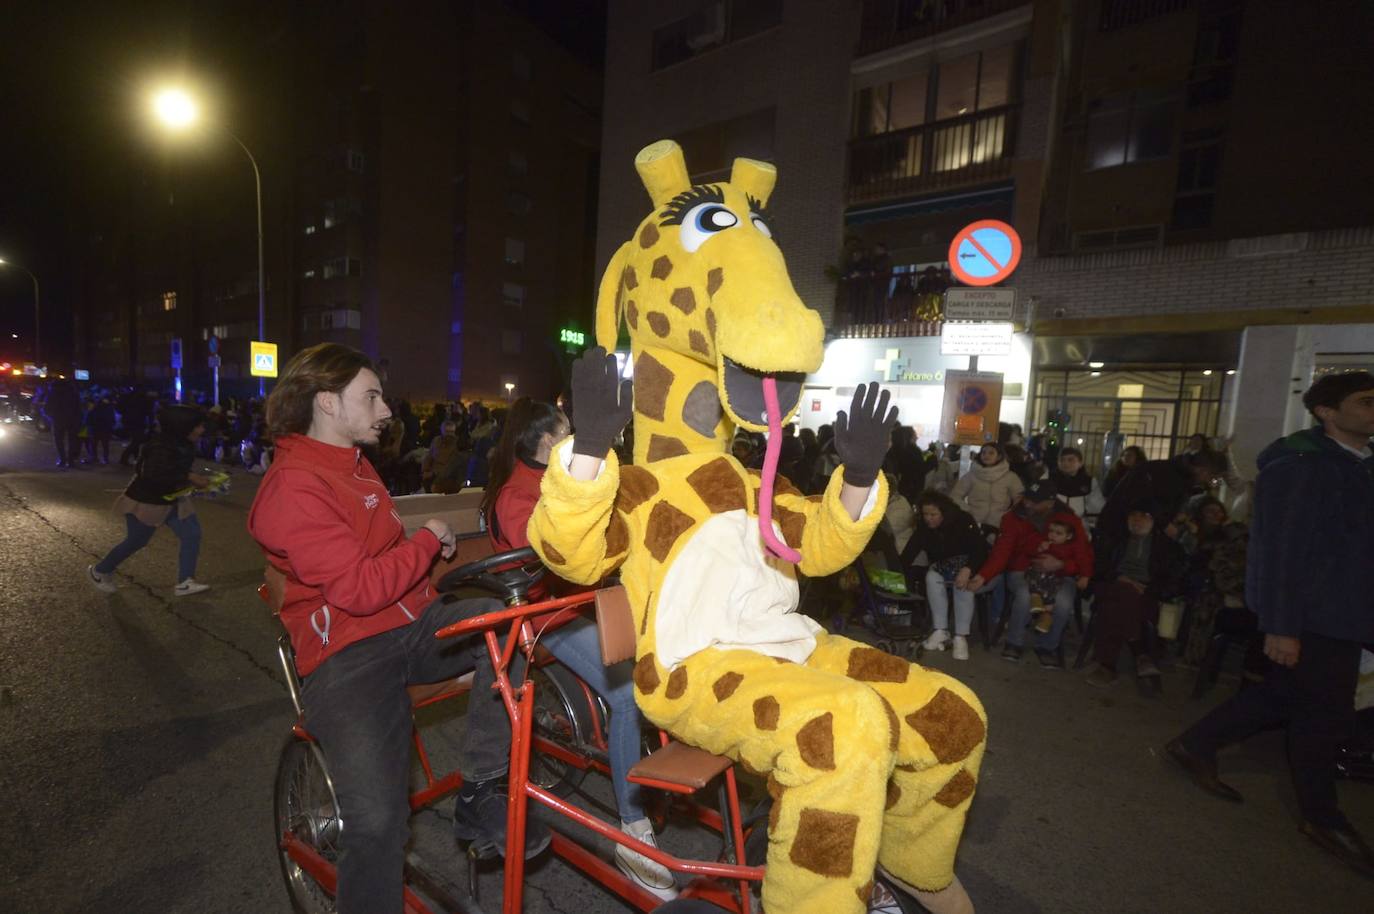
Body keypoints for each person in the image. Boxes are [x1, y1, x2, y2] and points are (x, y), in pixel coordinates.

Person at [246, 343, 524, 914]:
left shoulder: (352, 463)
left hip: (411, 624)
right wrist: (427, 541)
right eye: (369, 397)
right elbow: (358, 590)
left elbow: (382, 554)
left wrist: (428, 549)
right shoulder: (293, 485)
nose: (385, 409)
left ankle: (481, 790)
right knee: (376, 823)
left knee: (509, 630)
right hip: (349, 655)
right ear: (327, 402)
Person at [456, 398, 676, 901]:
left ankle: (644, 766)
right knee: (624, 698)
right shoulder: (517, 494)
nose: (573, 441)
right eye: (564, 434)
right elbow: (550, 563)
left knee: (655, 656)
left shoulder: (550, 480)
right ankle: (632, 826)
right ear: (541, 442)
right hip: (540, 618)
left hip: (571, 605)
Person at [1166, 371, 1374, 877]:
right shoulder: (1301, 465)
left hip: (1347, 608)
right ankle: (1322, 816)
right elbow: (1278, 551)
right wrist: (1280, 624)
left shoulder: (1360, 464)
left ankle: (1195, 744)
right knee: (1325, 713)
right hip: (1316, 613)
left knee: (1288, 696)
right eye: (1365, 402)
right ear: (1327, 411)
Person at [88, 404, 214, 596]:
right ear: (182, 426)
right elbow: (155, 476)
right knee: (136, 541)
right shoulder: (161, 446)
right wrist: (190, 477)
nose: (201, 430)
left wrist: (195, 481)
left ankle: (185, 582)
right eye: (197, 426)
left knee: (192, 534)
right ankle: (100, 571)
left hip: (173, 499)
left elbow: (173, 472)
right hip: (147, 501)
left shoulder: (183, 443)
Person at [965, 479, 1092, 669]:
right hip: (1022, 570)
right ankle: (1014, 642)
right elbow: (1002, 551)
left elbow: (1082, 552)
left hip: (1060, 574)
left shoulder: (1069, 520)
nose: (1028, 503)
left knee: (1063, 602)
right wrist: (983, 575)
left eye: (1035, 501)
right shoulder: (1012, 518)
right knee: (1025, 595)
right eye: (1027, 498)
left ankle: (1047, 646)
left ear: (1050, 502)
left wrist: (1061, 565)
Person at [1084, 504, 1186, 687]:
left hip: (1145, 592)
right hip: (1112, 584)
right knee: (1123, 591)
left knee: (1113, 608)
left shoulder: (1167, 547)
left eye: (1144, 515)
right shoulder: (1114, 540)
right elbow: (1098, 567)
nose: (1138, 520)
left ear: (1153, 520)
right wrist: (1121, 578)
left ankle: (1107, 666)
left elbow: (1175, 580)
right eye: (1134, 515)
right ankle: (1140, 653)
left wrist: (1150, 590)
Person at [901, 492, 988, 661]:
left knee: (963, 585)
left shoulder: (963, 520)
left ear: (944, 512)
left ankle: (960, 636)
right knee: (932, 577)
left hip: (969, 565)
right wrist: (897, 571)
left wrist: (968, 569)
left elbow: (979, 549)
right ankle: (940, 630)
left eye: (933, 514)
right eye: (925, 514)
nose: (928, 518)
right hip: (943, 567)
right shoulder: (924, 527)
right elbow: (911, 549)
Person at [949, 442, 1024, 527]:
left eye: (991, 453)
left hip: (1000, 523)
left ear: (999, 456)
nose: (986, 455)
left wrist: (1008, 515)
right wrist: (967, 511)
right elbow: (955, 496)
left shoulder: (1010, 477)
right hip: (974, 522)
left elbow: (1019, 498)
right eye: (983, 452)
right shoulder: (971, 475)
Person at [1025, 519, 1079, 633]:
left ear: (1068, 536)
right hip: (1039, 573)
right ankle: (1036, 600)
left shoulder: (1069, 548)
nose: (1053, 535)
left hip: (1055, 576)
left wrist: (1061, 563)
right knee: (1031, 574)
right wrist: (1039, 549)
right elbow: (1031, 555)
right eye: (1051, 531)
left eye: (1058, 533)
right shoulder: (1045, 543)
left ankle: (1046, 617)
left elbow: (1073, 564)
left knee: (1051, 592)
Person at [1048, 446, 1104, 523]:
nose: (1066, 463)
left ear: (1080, 463)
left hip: (1079, 524)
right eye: (1062, 460)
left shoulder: (1089, 482)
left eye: (1071, 460)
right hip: (1053, 524)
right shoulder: (1048, 479)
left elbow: (1097, 507)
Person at [44, 375, 82, 468]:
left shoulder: (53, 393)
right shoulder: (73, 393)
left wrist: (51, 417)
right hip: (73, 420)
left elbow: (47, 408)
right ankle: (71, 461)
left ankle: (62, 460)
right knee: (72, 440)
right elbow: (79, 407)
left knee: (59, 440)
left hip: (58, 420)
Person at [420, 419, 465, 494]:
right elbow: (429, 456)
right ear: (442, 431)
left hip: (446, 474)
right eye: (447, 432)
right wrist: (425, 470)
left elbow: (452, 465)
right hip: (433, 471)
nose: (449, 435)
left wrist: (434, 473)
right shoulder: (436, 440)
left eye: (452, 432)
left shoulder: (457, 444)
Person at [85, 394, 116, 465]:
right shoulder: (109, 407)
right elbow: (111, 419)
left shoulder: (95, 407)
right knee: (104, 445)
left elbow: (89, 417)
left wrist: (89, 425)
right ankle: (105, 459)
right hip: (104, 428)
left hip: (95, 428)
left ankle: (94, 457)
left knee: (94, 444)